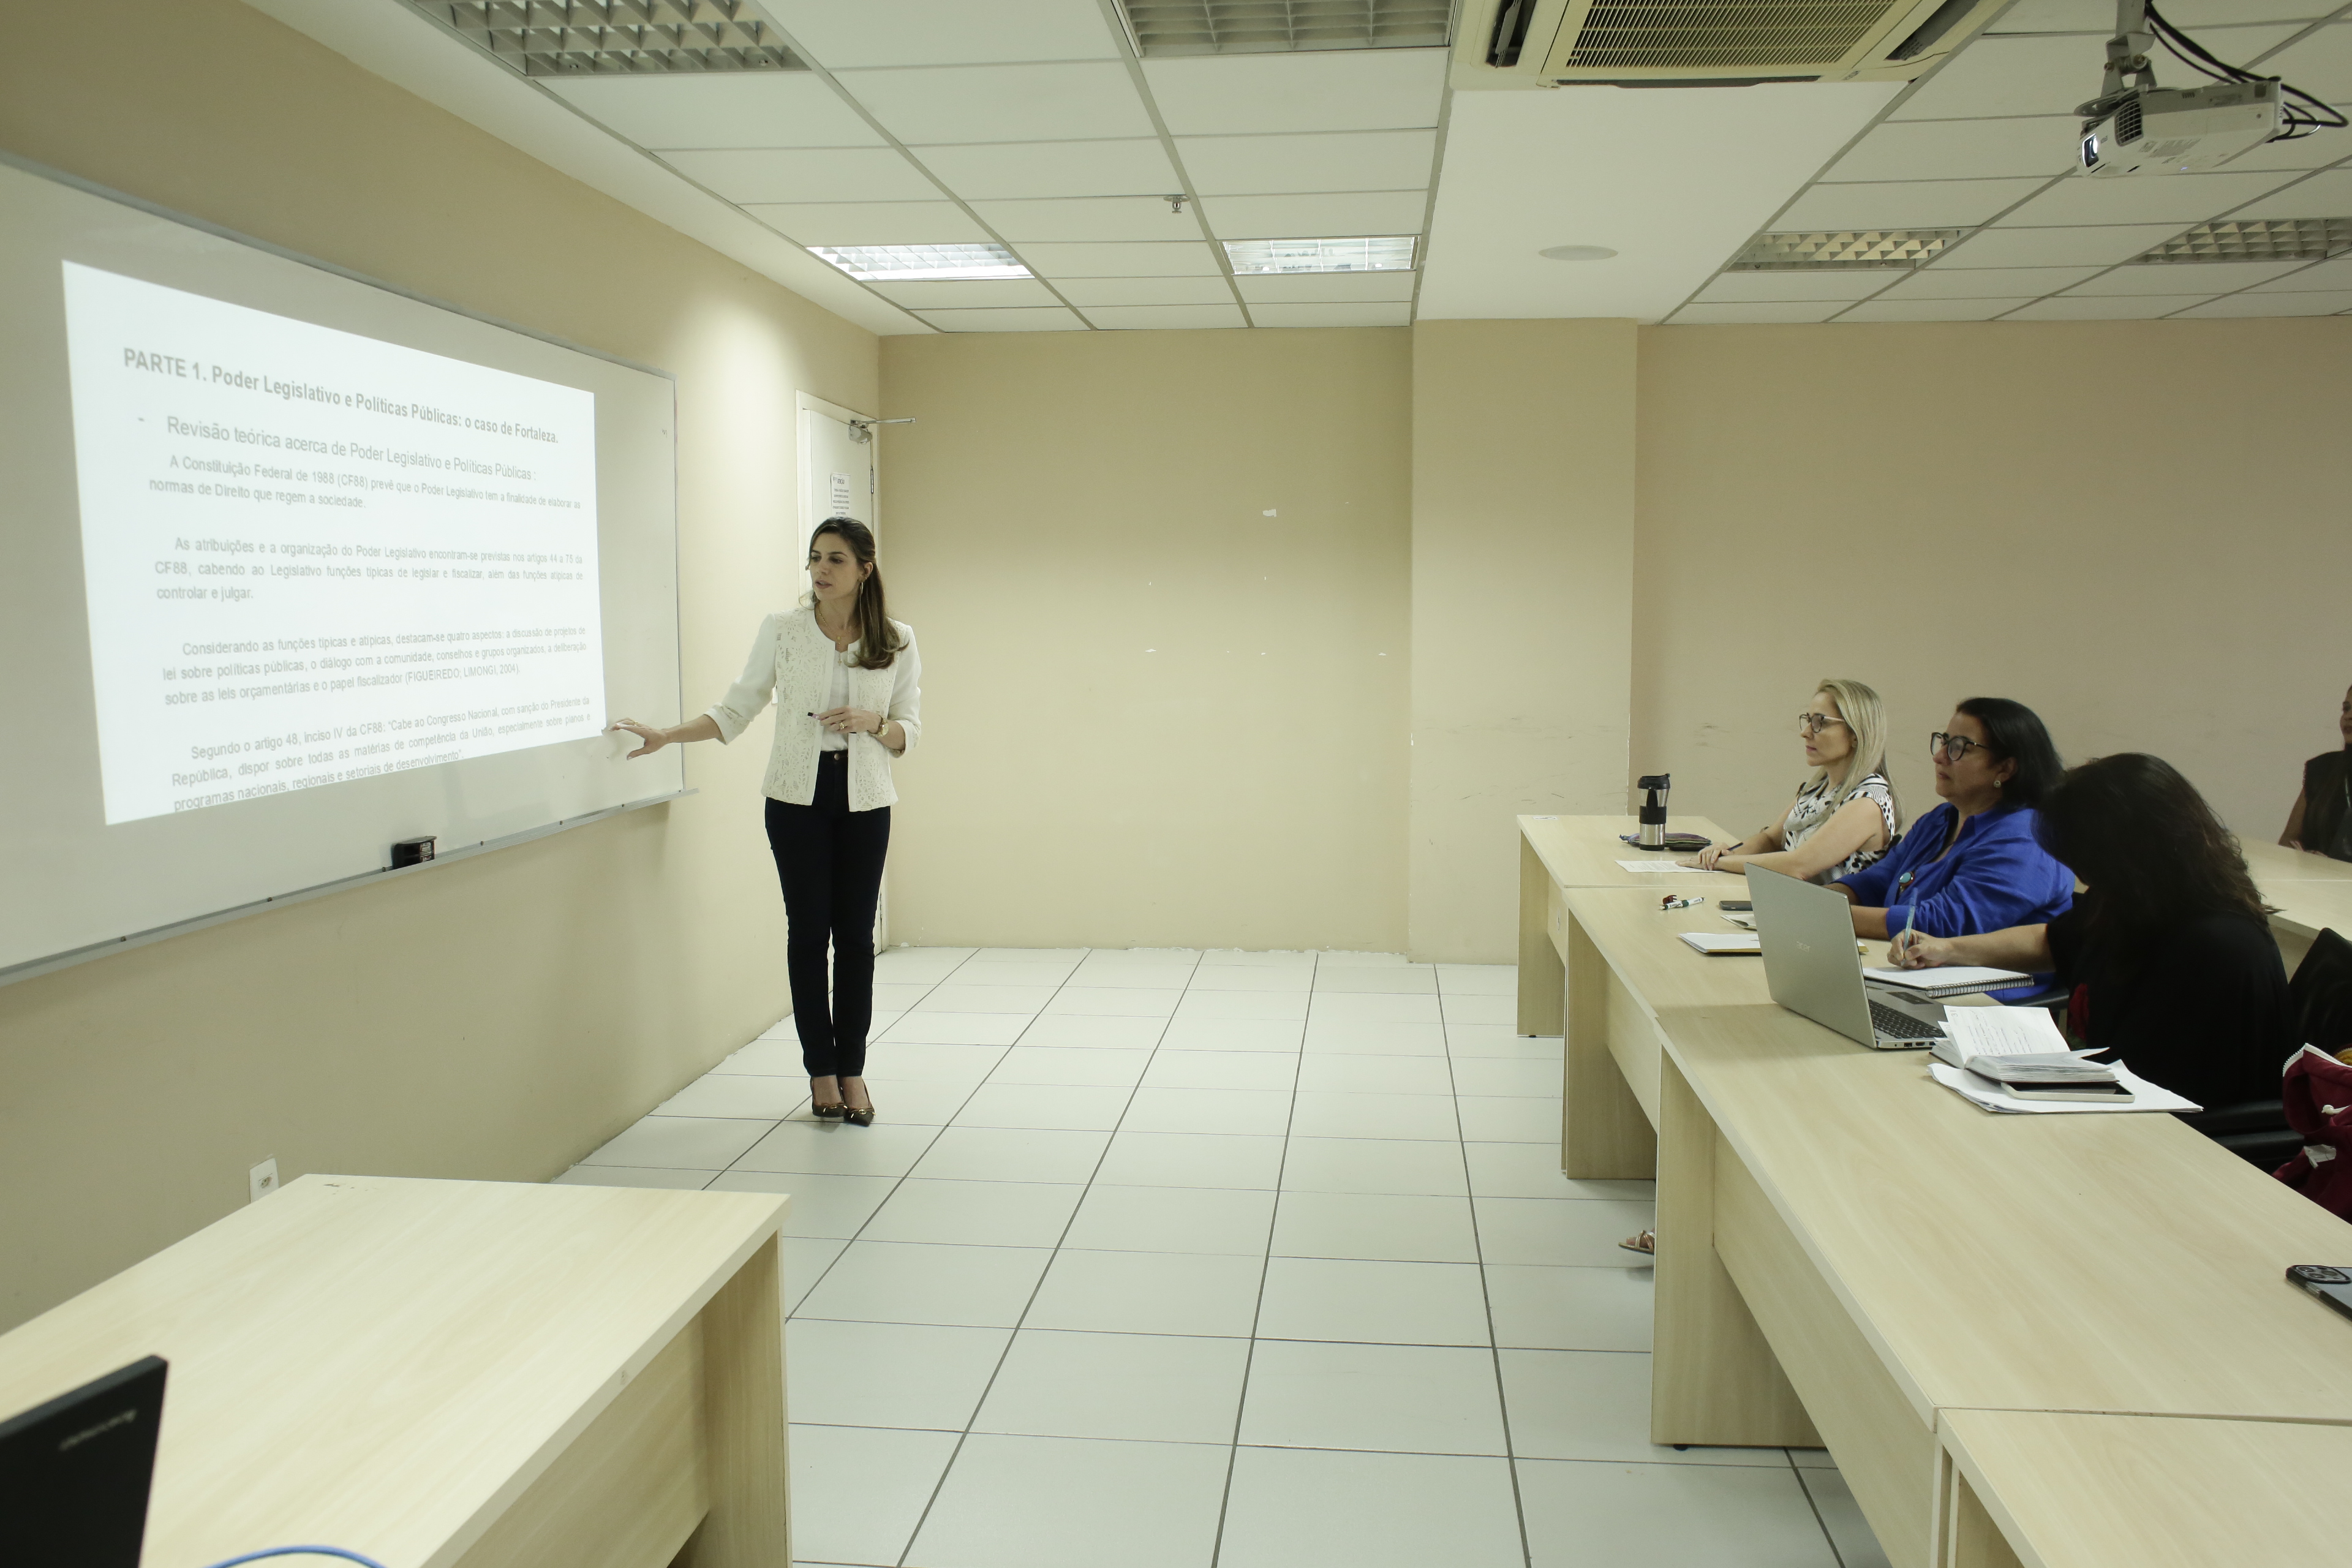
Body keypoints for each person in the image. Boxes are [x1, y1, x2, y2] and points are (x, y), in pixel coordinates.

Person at [612, 518, 919, 1126]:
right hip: (794, 801)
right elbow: (736, 708)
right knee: (809, 935)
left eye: (835, 559)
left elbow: (910, 728)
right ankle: (821, 1072)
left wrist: (874, 724)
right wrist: (668, 734)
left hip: (866, 800)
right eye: (814, 558)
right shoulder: (782, 630)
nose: (821, 569)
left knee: (856, 939)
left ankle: (853, 1069)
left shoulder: (898, 638)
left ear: (865, 567)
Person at [1896, 753, 2291, 1110]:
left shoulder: (2214, 949)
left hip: (2173, 1141)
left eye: (2087, 860)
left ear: (2128, 853)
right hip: (2109, 1107)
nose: (2082, 876)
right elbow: (2052, 940)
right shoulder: (2133, 903)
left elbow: (2160, 1091)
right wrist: (1947, 949)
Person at [1829, 697, 2074, 943]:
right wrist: (1814, 902)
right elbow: (1874, 883)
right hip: (1913, 969)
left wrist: (1827, 915)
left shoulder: (2027, 840)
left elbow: (1941, 923)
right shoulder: (1941, 819)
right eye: (1944, 742)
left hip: (1987, 980)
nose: (1940, 757)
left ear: (2006, 769)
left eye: (1960, 747)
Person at [1683, 679, 1899, 883]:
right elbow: (1770, 839)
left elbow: (1799, 865)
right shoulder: (1818, 788)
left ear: (1856, 734)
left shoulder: (1868, 801)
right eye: (1808, 720)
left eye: (1819, 723)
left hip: (1833, 920)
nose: (1805, 733)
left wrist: (1722, 862)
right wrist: (1726, 853)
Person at [2280, 682, 2352, 862]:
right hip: (2314, 884)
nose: (2349, 717)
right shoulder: (2323, 769)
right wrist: (2308, 859)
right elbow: (2288, 840)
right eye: (2346, 709)